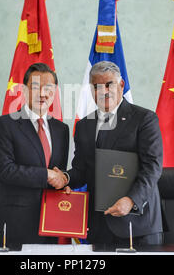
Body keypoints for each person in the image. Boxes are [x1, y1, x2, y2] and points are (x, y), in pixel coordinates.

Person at [59, 61, 164, 245]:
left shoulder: (144, 119)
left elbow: (152, 168)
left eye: (109, 85)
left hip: (137, 224)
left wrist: (131, 200)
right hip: (99, 225)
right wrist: (65, 178)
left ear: (121, 85)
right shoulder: (84, 126)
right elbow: (82, 169)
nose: (103, 91)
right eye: (97, 87)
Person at [0, 63, 69, 245]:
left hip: (52, 223)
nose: (42, 94)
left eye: (48, 88)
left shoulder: (61, 130)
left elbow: (59, 171)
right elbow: (5, 171)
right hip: (15, 225)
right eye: (35, 87)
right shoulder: (4, 125)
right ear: (24, 91)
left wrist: (63, 179)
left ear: (55, 92)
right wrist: (47, 174)